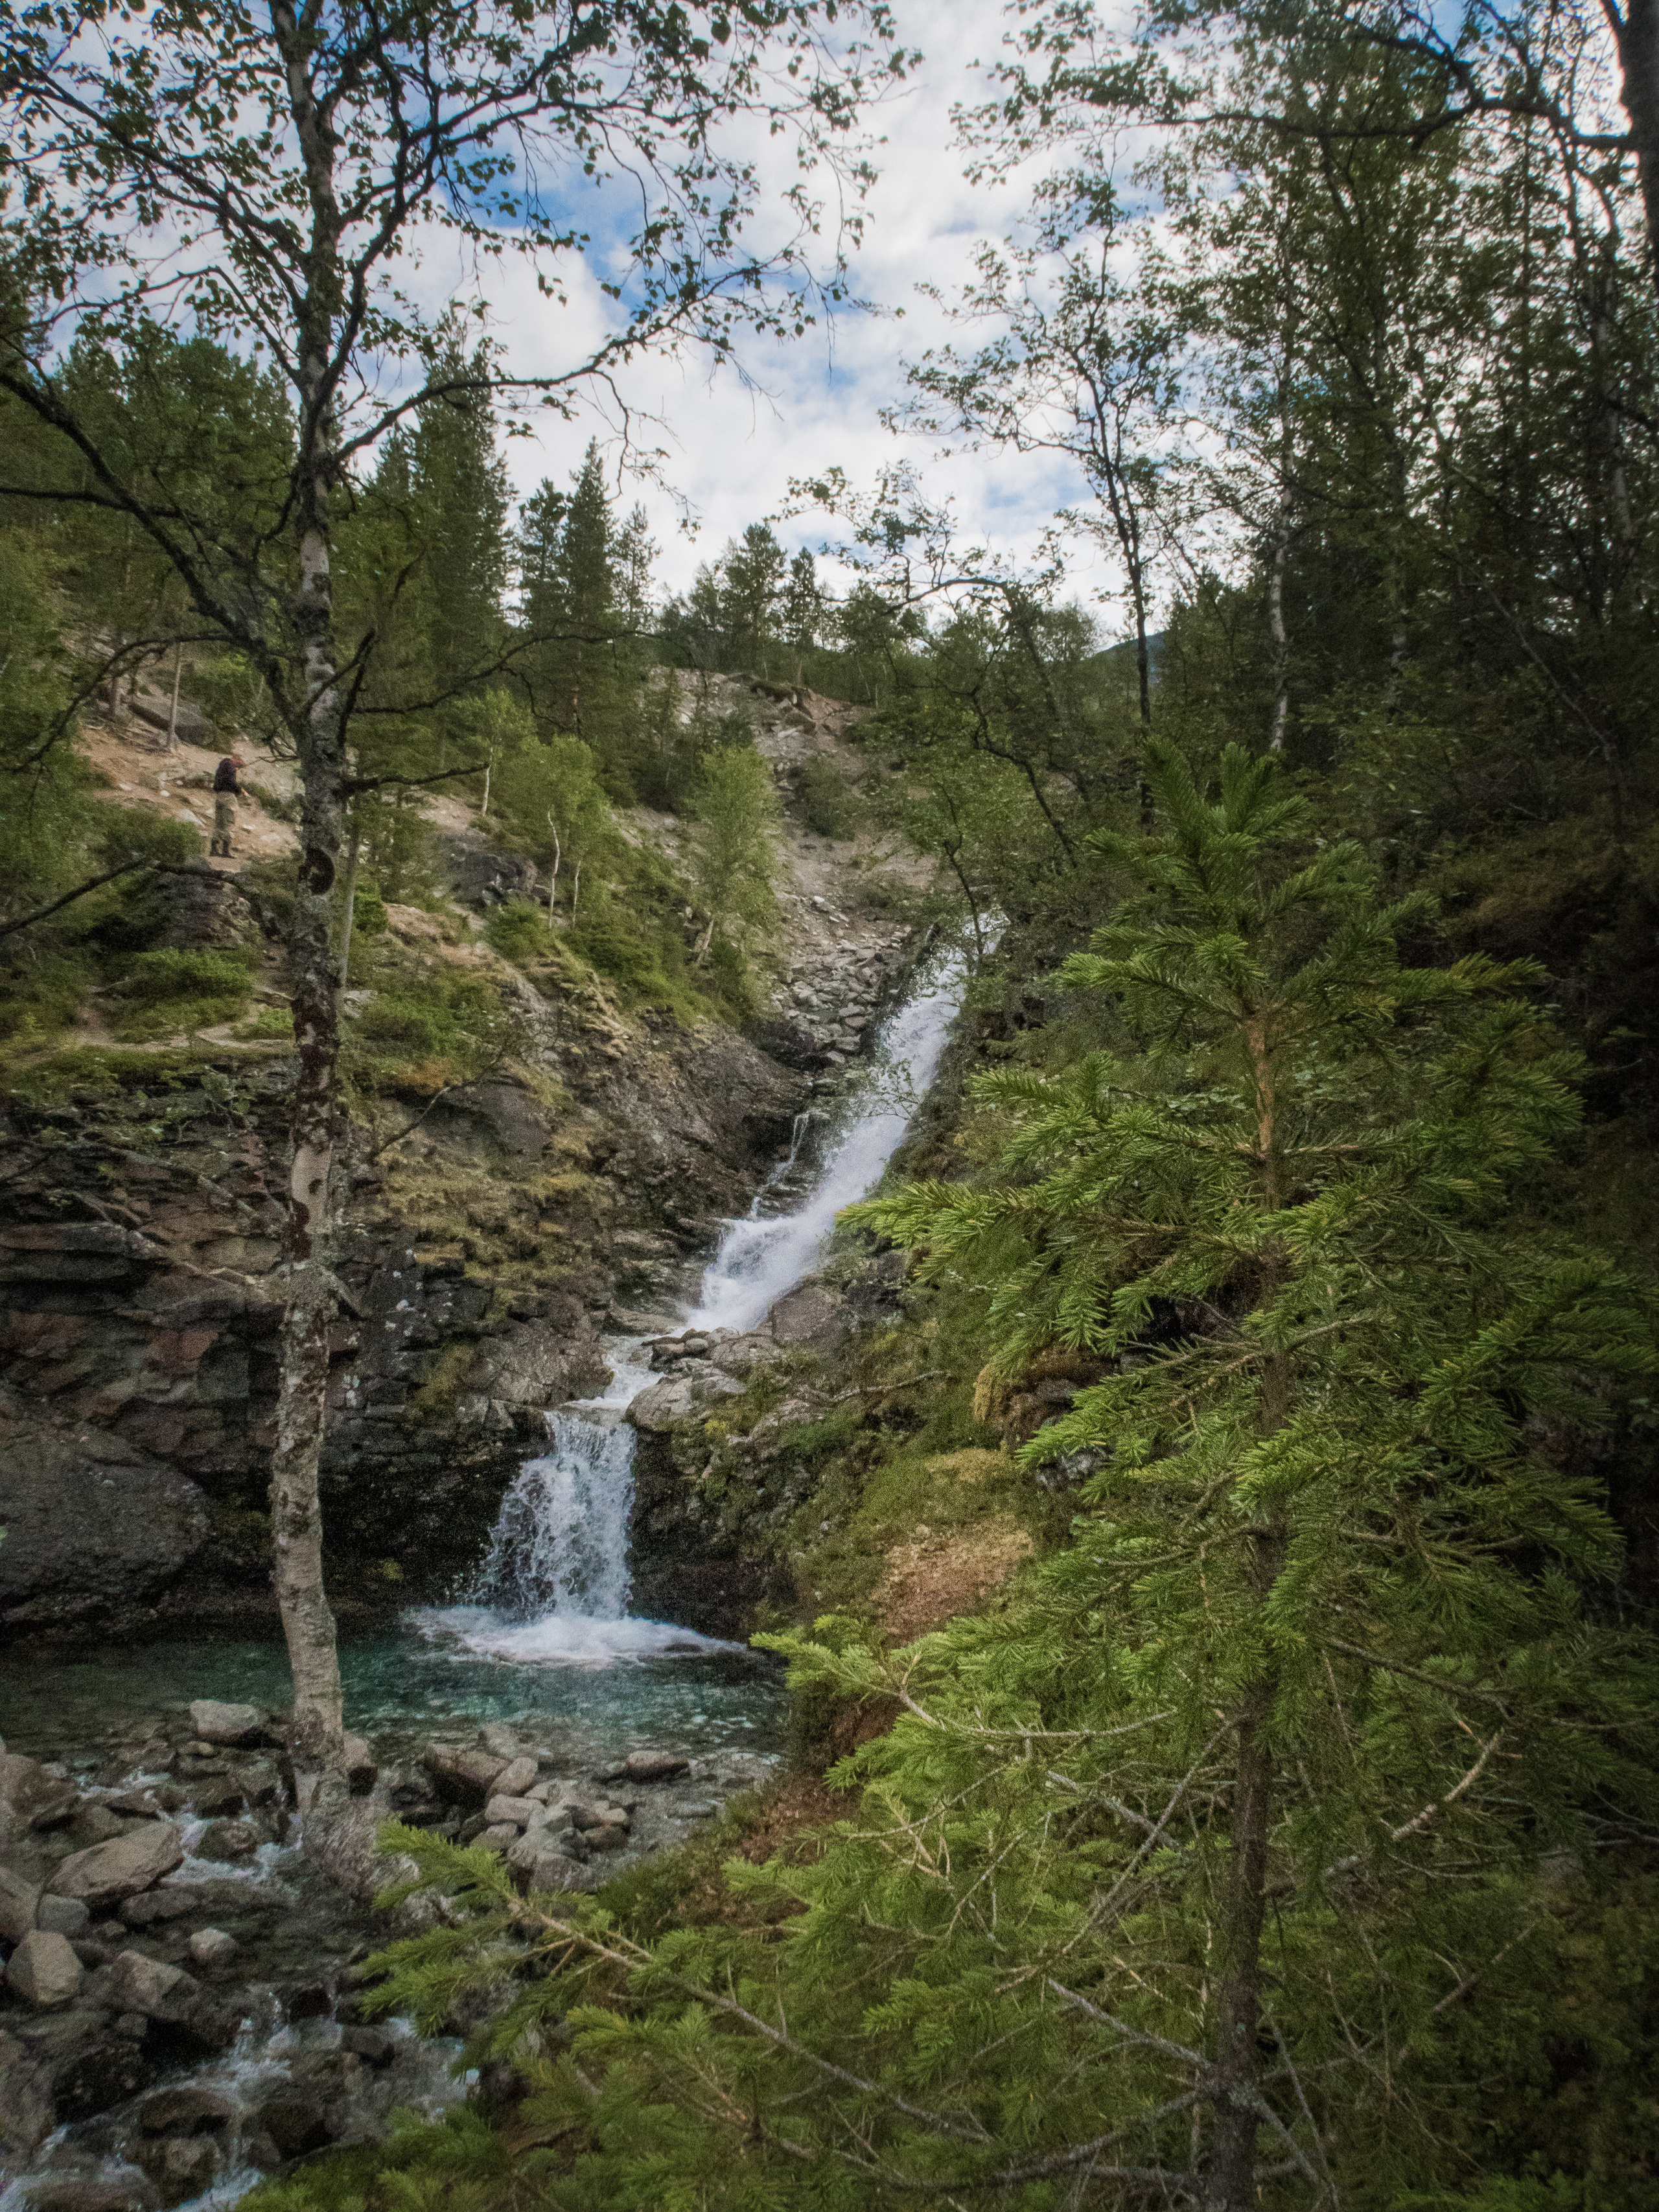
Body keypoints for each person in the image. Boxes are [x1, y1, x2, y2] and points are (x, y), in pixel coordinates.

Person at [211, 752, 244, 857]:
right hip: (228, 798)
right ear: (236, 759)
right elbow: (231, 783)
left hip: (219, 797)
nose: (239, 766)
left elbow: (217, 785)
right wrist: (239, 790)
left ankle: (214, 850)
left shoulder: (221, 768)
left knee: (219, 824)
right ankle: (225, 851)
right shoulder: (231, 768)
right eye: (239, 763)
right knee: (228, 824)